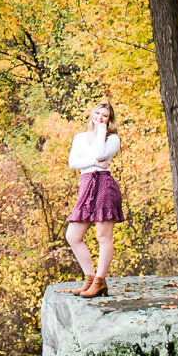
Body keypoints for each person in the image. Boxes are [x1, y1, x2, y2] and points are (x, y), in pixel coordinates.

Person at [65, 100, 124, 298]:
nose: (100, 117)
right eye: (98, 113)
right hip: (86, 185)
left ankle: (99, 282)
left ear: (109, 120)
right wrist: (95, 162)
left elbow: (101, 152)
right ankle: (89, 278)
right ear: (92, 113)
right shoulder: (80, 137)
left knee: (103, 236)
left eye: (105, 116)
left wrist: (101, 132)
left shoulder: (112, 139)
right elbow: (73, 163)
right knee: (73, 236)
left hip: (104, 186)